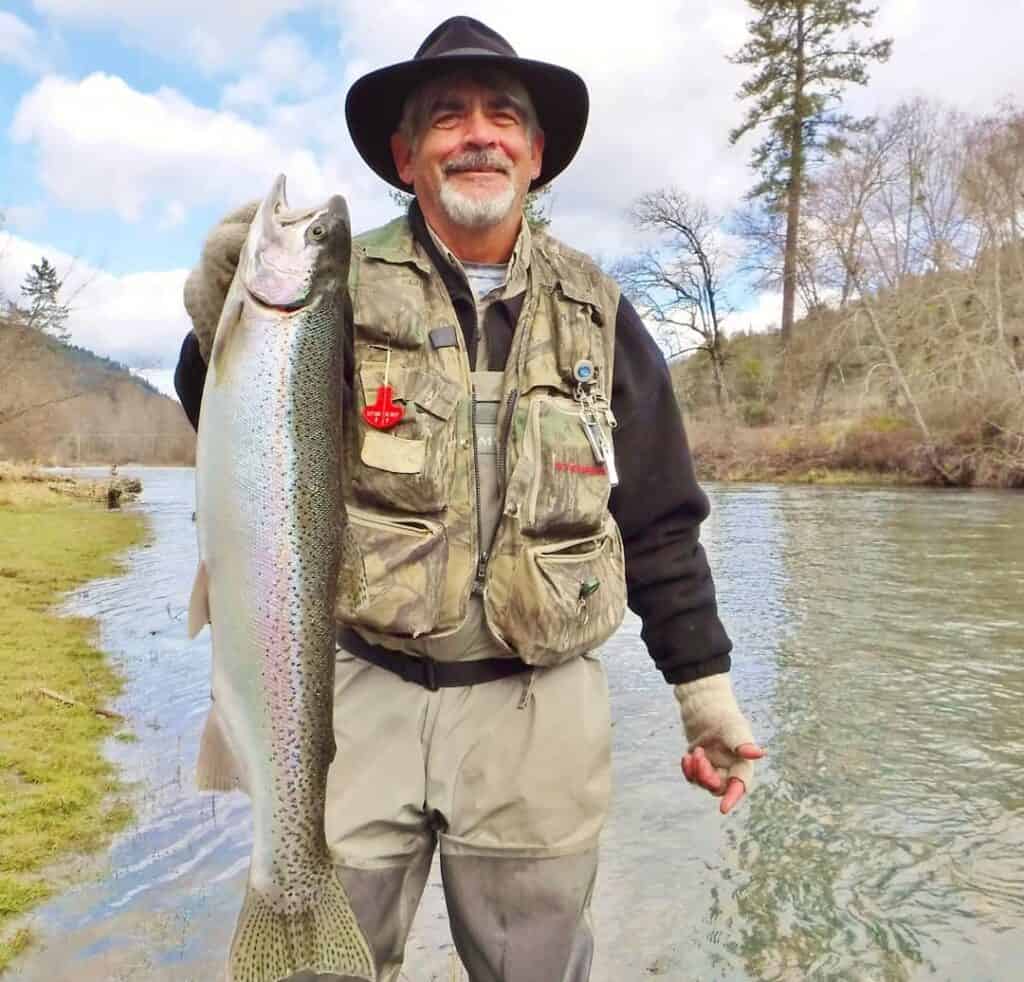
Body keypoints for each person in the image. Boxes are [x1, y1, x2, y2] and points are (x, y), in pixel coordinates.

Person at [174, 15, 764, 982]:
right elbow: (239, 443)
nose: (478, 133)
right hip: (354, 694)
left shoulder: (603, 313)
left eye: (504, 116)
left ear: (536, 153)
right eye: (447, 117)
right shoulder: (329, 284)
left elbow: (658, 518)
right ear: (407, 157)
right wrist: (215, 326)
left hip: (540, 715)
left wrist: (705, 697)